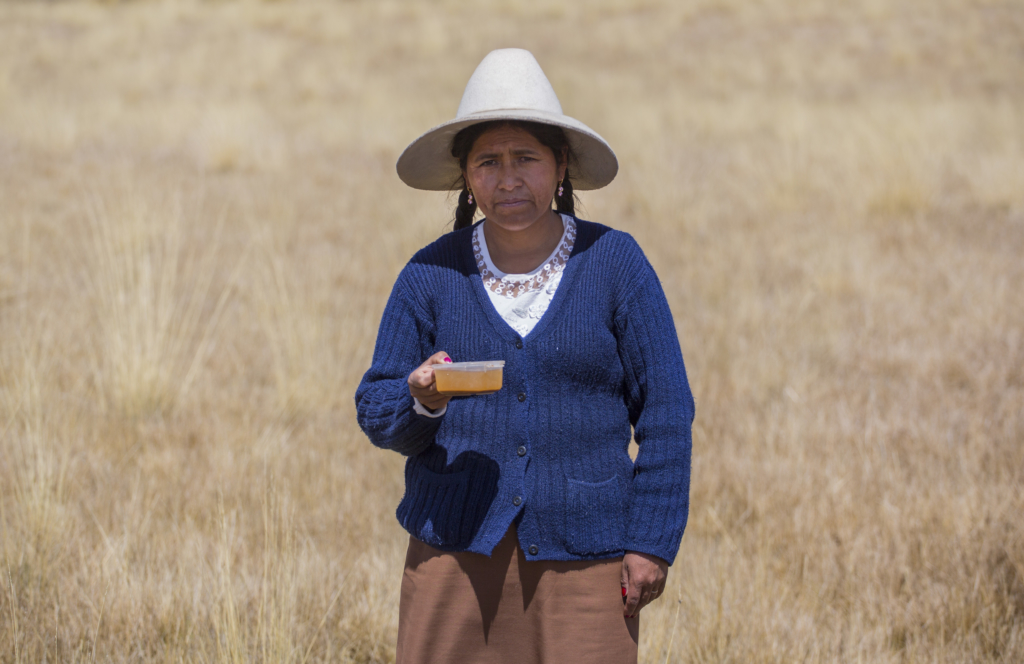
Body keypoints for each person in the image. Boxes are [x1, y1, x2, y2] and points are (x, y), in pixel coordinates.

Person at [355, 48, 694, 663]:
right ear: (466, 176)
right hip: (453, 561)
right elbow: (378, 410)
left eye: (526, 159)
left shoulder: (616, 266)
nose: (508, 179)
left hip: (588, 564)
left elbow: (668, 411)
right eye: (488, 162)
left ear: (560, 166)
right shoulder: (430, 274)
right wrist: (421, 399)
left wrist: (652, 541)